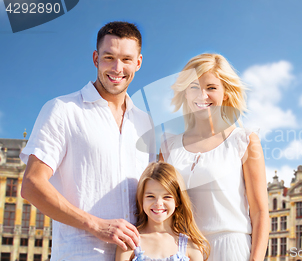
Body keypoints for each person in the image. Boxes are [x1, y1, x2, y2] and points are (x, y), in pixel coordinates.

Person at [20, 21, 155, 260]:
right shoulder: (62, 110)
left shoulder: (146, 124)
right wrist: (96, 225)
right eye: (108, 57)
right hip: (79, 254)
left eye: (126, 59)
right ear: (95, 58)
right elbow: (31, 184)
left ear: (138, 62)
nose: (117, 68)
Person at [160, 53, 269, 261]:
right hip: (182, 250)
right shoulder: (168, 147)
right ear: (184, 93)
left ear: (225, 93)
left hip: (231, 249)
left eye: (211, 88)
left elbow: (260, 212)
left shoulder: (244, 140)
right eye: (193, 87)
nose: (202, 95)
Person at [115, 162, 209, 261]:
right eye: (150, 196)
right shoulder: (129, 243)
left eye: (167, 197)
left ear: (177, 200)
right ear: (141, 199)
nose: (158, 203)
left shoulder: (192, 246)